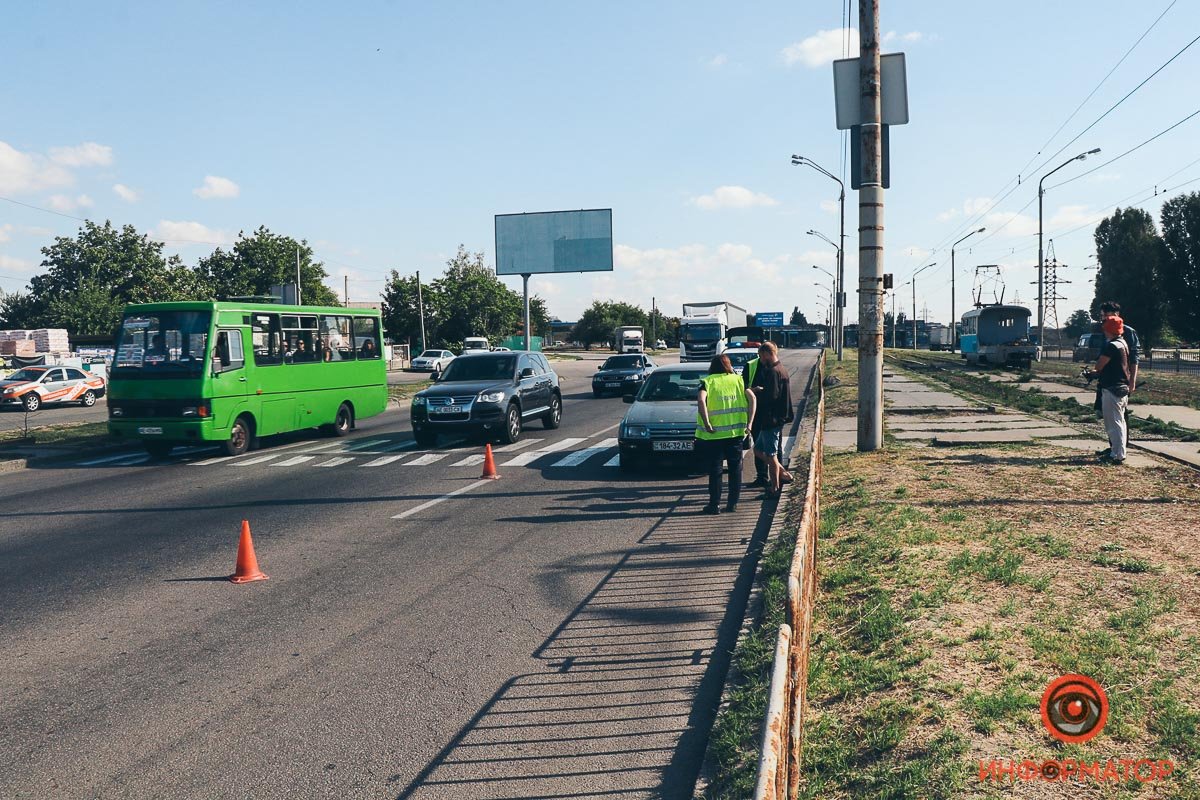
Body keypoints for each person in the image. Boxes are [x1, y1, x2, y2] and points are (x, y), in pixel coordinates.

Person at [696, 354, 757, 515]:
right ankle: (732, 504)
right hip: (735, 433)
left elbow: (701, 400)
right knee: (735, 468)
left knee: (715, 469)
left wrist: (707, 422)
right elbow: (752, 398)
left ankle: (714, 505)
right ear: (728, 365)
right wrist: (750, 423)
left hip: (714, 435)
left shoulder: (708, 382)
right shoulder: (737, 380)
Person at [749, 341, 794, 496]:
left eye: (761, 356)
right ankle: (784, 474)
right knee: (758, 450)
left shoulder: (773, 372)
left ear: (768, 354)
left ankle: (774, 489)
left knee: (770, 455)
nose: (761, 360)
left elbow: (771, 396)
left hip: (772, 419)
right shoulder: (781, 369)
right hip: (774, 418)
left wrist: (756, 392)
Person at [1085, 316, 1131, 464]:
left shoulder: (1111, 346)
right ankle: (1119, 452)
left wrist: (1092, 372)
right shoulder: (1123, 343)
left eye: (1105, 328)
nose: (1103, 331)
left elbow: (1099, 366)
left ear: (1109, 329)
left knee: (1113, 424)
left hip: (1111, 388)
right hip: (1122, 387)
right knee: (1120, 422)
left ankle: (1117, 455)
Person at [1096, 301, 1140, 456]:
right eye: (1101, 317)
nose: (1102, 320)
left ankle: (1120, 449)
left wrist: (1132, 381)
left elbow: (1134, 359)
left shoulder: (1127, 332)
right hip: (1107, 379)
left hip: (1118, 381)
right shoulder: (1107, 332)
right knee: (1110, 416)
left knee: (1118, 417)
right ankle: (1114, 446)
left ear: (1115, 315)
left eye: (1105, 316)